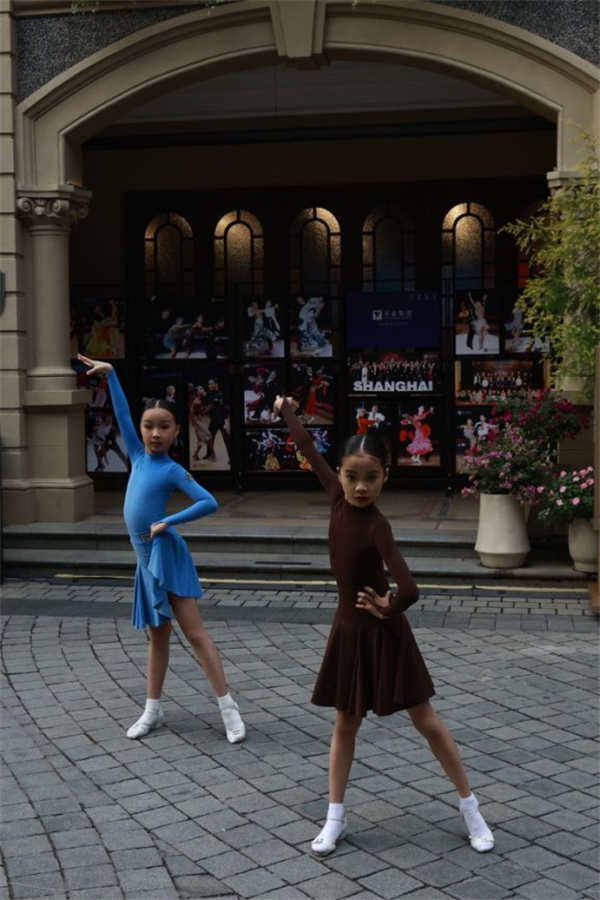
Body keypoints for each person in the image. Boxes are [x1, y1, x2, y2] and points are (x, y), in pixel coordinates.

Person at [273, 394, 494, 859]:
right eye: (351, 477)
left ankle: (471, 808)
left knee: (426, 721)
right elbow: (307, 446)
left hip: (385, 635)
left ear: (385, 477)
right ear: (340, 474)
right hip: (349, 632)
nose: (359, 487)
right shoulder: (336, 499)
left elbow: (409, 588)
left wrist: (387, 609)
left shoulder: (377, 526)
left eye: (371, 478)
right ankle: (335, 816)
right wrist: (285, 410)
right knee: (345, 723)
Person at [77, 354, 245, 745]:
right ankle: (152, 709)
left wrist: (170, 521)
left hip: (166, 555)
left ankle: (229, 709)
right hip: (144, 560)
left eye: (164, 426)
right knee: (158, 635)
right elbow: (121, 413)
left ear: (176, 431)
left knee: (195, 634)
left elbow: (208, 502)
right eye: (148, 426)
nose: (155, 433)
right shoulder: (137, 457)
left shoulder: (171, 469)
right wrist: (112, 375)